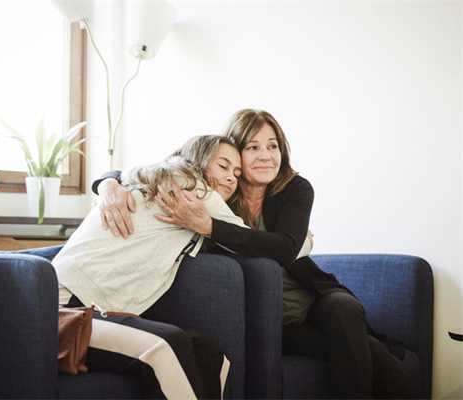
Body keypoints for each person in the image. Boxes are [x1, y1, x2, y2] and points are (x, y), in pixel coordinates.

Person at [94, 109, 412, 399]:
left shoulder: (296, 189)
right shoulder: (216, 191)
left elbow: (285, 248)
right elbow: (160, 167)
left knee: (345, 310)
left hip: (312, 298)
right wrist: (107, 184)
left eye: (273, 146)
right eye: (253, 147)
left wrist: (210, 228)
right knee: (362, 347)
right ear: (234, 151)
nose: (266, 156)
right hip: (272, 317)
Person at [52, 135, 247, 400]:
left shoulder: (146, 178)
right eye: (223, 166)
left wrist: (107, 182)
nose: (231, 178)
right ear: (199, 161)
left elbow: (115, 174)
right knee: (164, 347)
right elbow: (253, 241)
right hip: (64, 312)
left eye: (237, 173)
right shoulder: (196, 191)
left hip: (90, 310)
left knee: (208, 352)